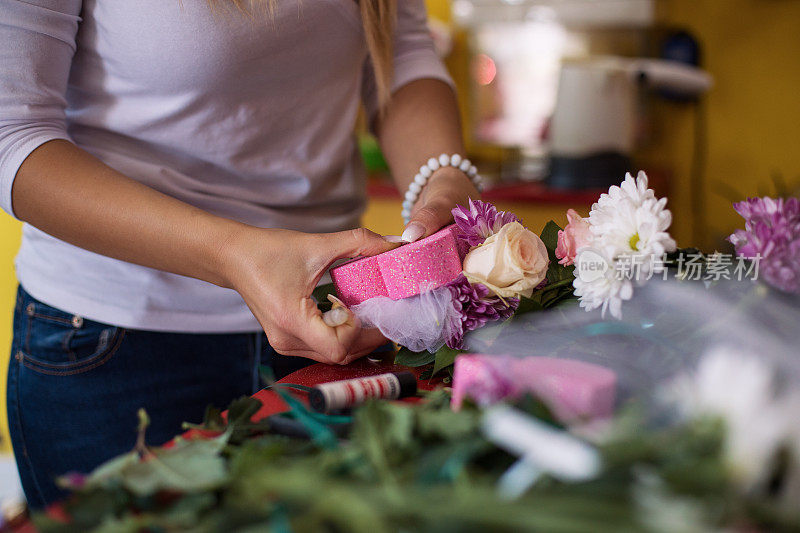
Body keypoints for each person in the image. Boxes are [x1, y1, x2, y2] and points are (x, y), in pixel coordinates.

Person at [0, 0, 478, 507]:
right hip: (112, 350)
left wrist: (443, 178)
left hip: (337, 329)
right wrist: (234, 254)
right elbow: (14, 137)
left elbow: (400, 56)